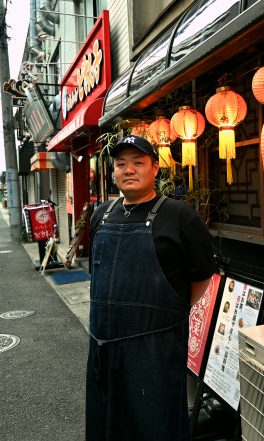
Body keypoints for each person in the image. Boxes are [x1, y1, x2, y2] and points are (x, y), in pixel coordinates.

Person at [86, 135, 215, 440]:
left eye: (138, 162)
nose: (128, 170)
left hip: (154, 349)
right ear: (114, 171)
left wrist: (169, 310)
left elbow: (201, 276)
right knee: (105, 423)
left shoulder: (180, 216)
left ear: (156, 168)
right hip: (103, 347)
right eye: (121, 164)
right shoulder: (100, 215)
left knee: (155, 426)